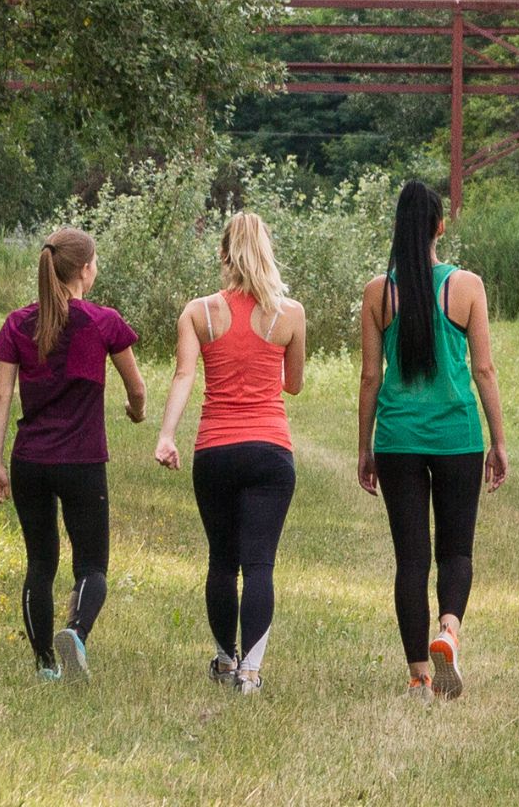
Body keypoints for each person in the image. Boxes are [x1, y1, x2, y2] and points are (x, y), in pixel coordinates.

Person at [357, 180, 508, 701]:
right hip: (457, 436)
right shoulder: (466, 286)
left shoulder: (378, 292)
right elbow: (484, 370)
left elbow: (370, 377)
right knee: (456, 550)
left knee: (411, 559)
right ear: (440, 227)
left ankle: (419, 675)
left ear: (398, 228)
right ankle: (448, 630)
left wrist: (364, 448)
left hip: (397, 438)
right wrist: (499, 441)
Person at [153, 213, 307, 696]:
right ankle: (251, 672)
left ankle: (225, 660)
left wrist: (167, 435)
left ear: (223, 254)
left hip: (215, 452)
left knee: (222, 561)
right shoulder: (290, 314)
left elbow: (183, 375)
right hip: (270, 451)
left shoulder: (198, 312)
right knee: (259, 564)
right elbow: (294, 384)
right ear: (267, 253)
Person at [0, 227, 146, 683]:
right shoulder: (103, 322)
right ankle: (75, 632)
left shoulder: (18, 323)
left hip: (30, 461)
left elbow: (1, 397)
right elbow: (136, 389)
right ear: (86, 269)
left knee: (40, 563)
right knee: (92, 564)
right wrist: (136, 412)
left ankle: (45, 666)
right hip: (82, 461)